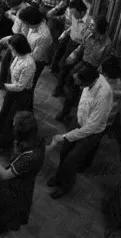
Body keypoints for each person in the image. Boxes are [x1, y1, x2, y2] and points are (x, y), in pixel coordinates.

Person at [48, 64, 113, 199]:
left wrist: (65, 136)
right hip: (79, 122)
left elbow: (91, 127)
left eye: (79, 82)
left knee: (71, 160)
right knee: (64, 152)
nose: (77, 85)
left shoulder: (103, 94)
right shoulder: (89, 81)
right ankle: (58, 177)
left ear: (88, 81)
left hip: (91, 132)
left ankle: (66, 186)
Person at [0, 111, 44, 236]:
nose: (12, 127)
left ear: (22, 132)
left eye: (15, 125)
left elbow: (5, 174)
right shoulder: (32, 140)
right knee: (1, 206)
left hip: (17, 188)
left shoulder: (30, 157)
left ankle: (1, 227)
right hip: (13, 181)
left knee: (8, 210)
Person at [0, 34, 36, 153]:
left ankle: (5, 144)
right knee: (5, 110)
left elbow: (20, 86)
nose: (10, 50)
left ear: (19, 48)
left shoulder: (28, 64)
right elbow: (10, 39)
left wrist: (1, 85)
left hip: (21, 94)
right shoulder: (17, 55)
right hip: (12, 90)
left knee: (11, 119)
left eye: (12, 48)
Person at [53, 0, 91, 95]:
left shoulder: (89, 23)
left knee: (70, 68)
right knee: (64, 64)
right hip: (70, 41)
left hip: (79, 47)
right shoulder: (75, 15)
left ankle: (64, 89)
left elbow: (86, 41)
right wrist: (65, 33)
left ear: (82, 12)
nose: (73, 15)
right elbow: (72, 26)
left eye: (75, 13)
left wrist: (76, 52)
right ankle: (60, 86)